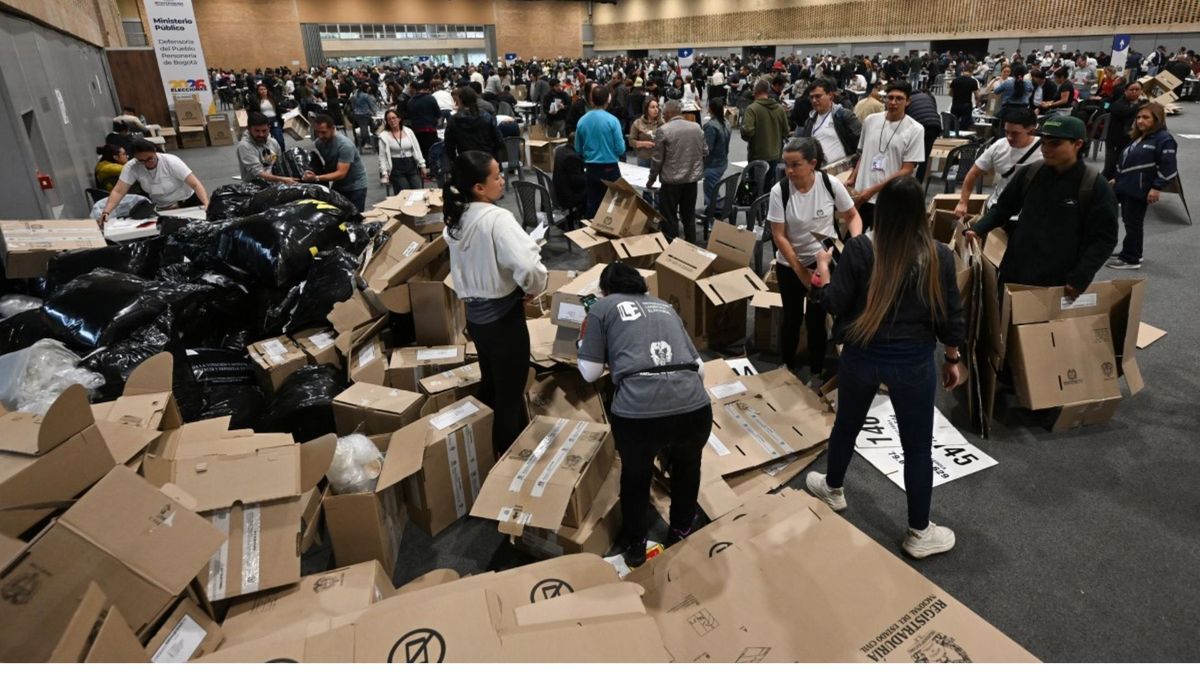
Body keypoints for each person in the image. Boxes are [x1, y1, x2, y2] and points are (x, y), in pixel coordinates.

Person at [805, 176, 965, 560]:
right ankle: (919, 532)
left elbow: (834, 302)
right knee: (917, 447)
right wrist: (953, 358)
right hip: (914, 362)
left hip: (862, 355)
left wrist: (824, 268)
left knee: (847, 425)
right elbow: (951, 315)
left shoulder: (861, 249)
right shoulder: (938, 255)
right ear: (920, 213)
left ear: (884, 211)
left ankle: (834, 489)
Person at [576, 263, 711, 568]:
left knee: (636, 476)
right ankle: (680, 533)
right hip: (694, 407)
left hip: (638, 413)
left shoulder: (602, 308)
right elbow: (700, 368)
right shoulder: (664, 306)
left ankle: (636, 544)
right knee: (688, 469)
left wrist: (584, 343)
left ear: (605, 289)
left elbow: (589, 372)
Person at [443, 150, 548, 456]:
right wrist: (534, 287)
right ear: (478, 187)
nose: (503, 181)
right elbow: (528, 268)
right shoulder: (496, 218)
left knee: (492, 384)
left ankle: (480, 449)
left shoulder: (458, 217)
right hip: (504, 321)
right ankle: (508, 462)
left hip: (477, 319)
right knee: (509, 398)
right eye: (496, 177)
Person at [966, 116, 1118, 296]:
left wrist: (1080, 277)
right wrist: (978, 228)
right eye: (1043, 143)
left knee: (1043, 324)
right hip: (1015, 269)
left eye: (1055, 144)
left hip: (1058, 279)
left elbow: (1104, 239)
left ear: (1077, 144)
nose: (1046, 149)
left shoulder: (1094, 185)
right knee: (1003, 318)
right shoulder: (1031, 172)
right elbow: (1004, 207)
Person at [769, 138, 863, 383]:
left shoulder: (829, 184)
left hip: (823, 262)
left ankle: (816, 371)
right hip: (790, 264)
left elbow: (853, 216)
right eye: (786, 165)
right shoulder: (781, 190)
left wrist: (855, 244)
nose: (789, 171)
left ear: (812, 164)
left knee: (816, 319)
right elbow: (779, 235)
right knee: (791, 318)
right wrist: (801, 271)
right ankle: (786, 367)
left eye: (795, 165)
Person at [847, 81, 924, 230]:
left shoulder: (915, 129)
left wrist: (873, 190)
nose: (893, 102)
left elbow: (907, 169)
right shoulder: (870, 121)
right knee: (854, 243)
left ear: (908, 101)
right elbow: (863, 155)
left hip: (889, 197)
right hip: (861, 194)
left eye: (899, 98)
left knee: (882, 245)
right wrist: (852, 178)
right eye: (890, 98)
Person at [1108, 103, 1178, 270]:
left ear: (1157, 119)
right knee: (1129, 220)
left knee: (1133, 223)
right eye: (1138, 117)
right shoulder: (1140, 137)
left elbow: (1169, 167)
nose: (1140, 121)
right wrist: (1117, 178)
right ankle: (1131, 250)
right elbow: (1127, 160)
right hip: (1126, 186)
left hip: (1140, 189)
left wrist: (1157, 187)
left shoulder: (1164, 140)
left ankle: (1131, 259)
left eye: (1146, 117)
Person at [953, 108, 1041, 217]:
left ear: (1031, 130)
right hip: (999, 208)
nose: (1009, 137)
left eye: (1015, 133)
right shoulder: (999, 146)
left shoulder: (1044, 149)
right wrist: (963, 202)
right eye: (1006, 132)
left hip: (1030, 212)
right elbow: (973, 173)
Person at [97, 139, 208, 223]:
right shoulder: (132, 167)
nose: (147, 163)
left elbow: (195, 184)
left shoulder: (171, 161)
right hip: (162, 207)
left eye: (150, 158)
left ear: (155, 152)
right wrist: (107, 211)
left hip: (187, 203)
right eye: (141, 160)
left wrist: (206, 203)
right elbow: (119, 191)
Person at [647, 100, 706, 244]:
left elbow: (657, 159)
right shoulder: (696, 127)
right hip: (691, 180)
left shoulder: (664, 130)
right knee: (689, 216)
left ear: (667, 114)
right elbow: (705, 151)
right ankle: (691, 246)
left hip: (671, 182)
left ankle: (671, 248)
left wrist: (651, 179)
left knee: (669, 217)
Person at [575, 85, 626, 218]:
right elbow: (621, 149)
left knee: (593, 205)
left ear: (591, 100)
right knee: (614, 206)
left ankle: (593, 235)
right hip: (610, 169)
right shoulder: (612, 121)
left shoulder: (582, 121)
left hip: (591, 168)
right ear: (607, 100)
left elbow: (578, 149)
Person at [304, 114, 369, 212]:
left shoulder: (345, 145)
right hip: (339, 185)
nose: (320, 136)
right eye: (317, 132)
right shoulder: (319, 143)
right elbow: (330, 163)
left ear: (333, 128)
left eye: (323, 132)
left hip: (355, 186)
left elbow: (341, 173)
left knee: (355, 219)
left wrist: (316, 178)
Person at [797, 79, 862, 176]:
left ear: (830, 96)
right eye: (811, 97)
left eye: (818, 96)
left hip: (844, 172)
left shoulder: (844, 116)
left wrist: (854, 171)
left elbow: (861, 144)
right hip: (819, 173)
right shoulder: (810, 121)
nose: (814, 100)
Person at [444, 86, 504, 164]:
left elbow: (449, 145)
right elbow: (499, 140)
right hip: (487, 160)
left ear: (460, 100)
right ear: (475, 99)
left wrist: (455, 161)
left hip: (466, 161)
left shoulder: (454, 120)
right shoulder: (486, 117)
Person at [377, 108, 427, 193]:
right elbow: (382, 157)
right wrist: (384, 173)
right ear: (386, 122)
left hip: (411, 164)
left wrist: (422, 165)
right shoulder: (383, 136)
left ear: (399, 119)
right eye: (389, 119)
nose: (392, 121)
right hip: (396, 166)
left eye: (394, 118)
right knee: (404, 191)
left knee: (417, 190)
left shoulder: (408, 131)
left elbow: (417, 148)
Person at [237, 112, 295, 184]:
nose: (261, 134)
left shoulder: (273, 142)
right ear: (248, 129)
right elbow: (258, 172)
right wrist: (282, 179)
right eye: (257, 131)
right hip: (255, 185)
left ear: (269, 128)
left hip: (275, 181)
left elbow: (280, 161)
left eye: (264, 131)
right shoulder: (244, 146)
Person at [741, 79, 790, 164]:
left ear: (755, 91)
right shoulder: (779, 108)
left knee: (757, 177)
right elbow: (786, 131)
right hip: (775, 153)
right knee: (772, 177)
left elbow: (747, 131)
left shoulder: (752, 109)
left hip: (757, 155)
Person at [1103, 81, 1144, 180]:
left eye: (1137, 90)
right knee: (1111, 166)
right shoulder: (1119, 103)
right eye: (1131, 90)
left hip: (1133, 139)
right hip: (1115, 141)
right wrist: (1141, 105)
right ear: (1125, 91)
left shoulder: (1141, 103)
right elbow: (1125, 112)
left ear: (1141, 91)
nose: (1134, 92)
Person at [702, 96, 731, 229]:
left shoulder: (710, 126)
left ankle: (712, 220)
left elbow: (707, 148)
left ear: (710, 109)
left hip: (712, 164)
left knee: (711, 193)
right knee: (713, 190)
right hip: (722, 162)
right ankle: (710, 215)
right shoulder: (726, 123)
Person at [905, 87, 942, 182]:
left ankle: (905, 180)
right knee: (924, 157)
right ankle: (918, 183)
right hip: (934, 126)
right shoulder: (928, 97)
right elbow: (935, 111)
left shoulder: (907, 100)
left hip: (918, 125)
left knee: (910, 154)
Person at [552, 134, 587, 223]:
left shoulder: (560, 150)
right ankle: (588, 217)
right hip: (568, 196)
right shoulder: (572, 157)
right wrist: (589, 175)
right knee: (595, 189)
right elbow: (577, 183)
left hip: (558, 190)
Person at [408, 79, 442, 161]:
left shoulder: (410, 101)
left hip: (416, 130)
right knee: (431, 150)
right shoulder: (431, 98)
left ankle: (423, 167)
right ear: (427, 89)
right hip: (430, 129)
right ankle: (432, 168)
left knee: (421, 150)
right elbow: (438, 115)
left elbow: (410, 116)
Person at [252, 82, 287, 151]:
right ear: (258, 91)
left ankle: (283, 155)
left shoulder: (272, 99)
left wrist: (286, 109)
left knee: (280, 139)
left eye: (264, 89)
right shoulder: (256, 101)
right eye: (261, 89)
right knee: (266, 142)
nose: (263, 91)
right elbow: (253, 112)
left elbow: (278, 108)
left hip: (274, 121)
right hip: (263, 122)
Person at [629, 98, 663, 168]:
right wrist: (644, 144)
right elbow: (631, 141)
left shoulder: (662, 122)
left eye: (657, 107)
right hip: (644, 158)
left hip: (659, 158)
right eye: (653, 107)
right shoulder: (637, 123)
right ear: (646, 109)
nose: (656, 109)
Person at [949, 63, 981, 130]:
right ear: (972, 71)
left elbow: (950, 93)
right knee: (964, 126)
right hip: (966, 106)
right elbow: (977, 96)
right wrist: (977, 104)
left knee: (953, 124)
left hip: (955, 104)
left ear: (963, 70)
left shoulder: (955, 80)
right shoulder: (973, 82)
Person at [351, 82, 379, 152]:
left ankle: (365, 141)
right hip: (365, 114)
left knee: (365, 127)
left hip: (356, 113)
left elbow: (353, 103)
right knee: (365, 129)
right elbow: (371, 105)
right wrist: (375, 112)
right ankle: (367, 142)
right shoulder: (366, 96)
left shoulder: (355, 94)